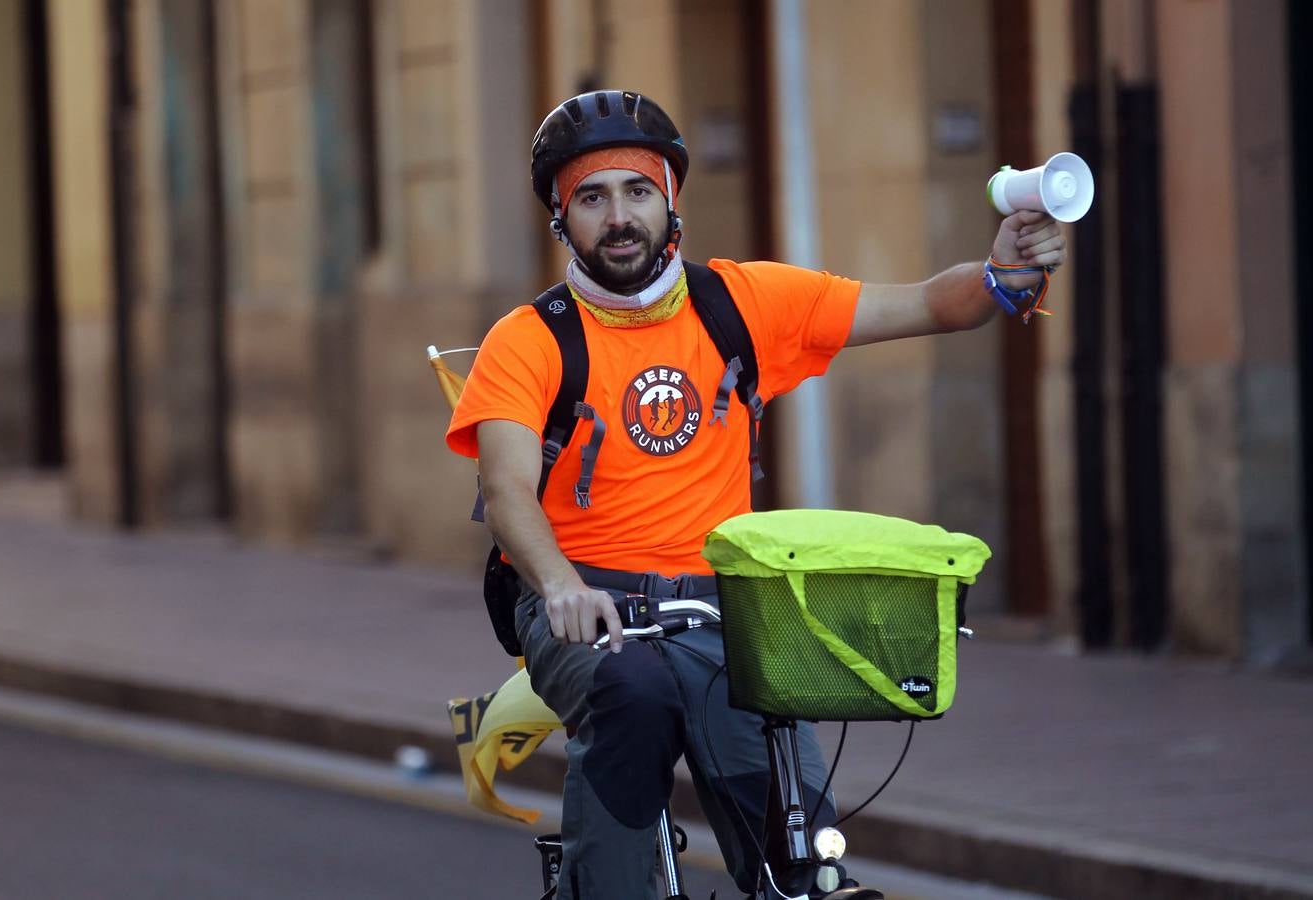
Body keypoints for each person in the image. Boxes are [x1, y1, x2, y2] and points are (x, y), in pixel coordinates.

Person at [444, 90, 1066, 899]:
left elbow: (926, 303)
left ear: (671, 201)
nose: (619, 216)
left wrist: (1003, 272)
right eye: (591, 198)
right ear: (563, 219)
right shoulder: (527, 339)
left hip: (725, 608)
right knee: (631, 698)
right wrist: (560, 584)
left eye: (638, 191)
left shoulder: (741, 303)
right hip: (586, 604)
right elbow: (508, 487)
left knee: (795, 831)